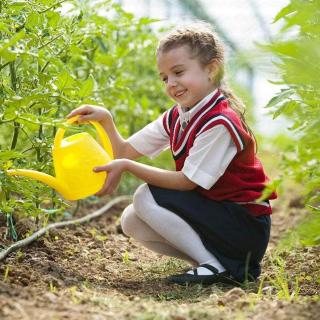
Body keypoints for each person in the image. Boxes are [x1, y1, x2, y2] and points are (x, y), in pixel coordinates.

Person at [67, 22, 277, 285]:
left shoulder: (220, 122)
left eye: (178, 72)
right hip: (220, 218)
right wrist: (106, 120)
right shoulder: (178, 116)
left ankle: (214, 267)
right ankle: (213, 263)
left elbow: (187, 181)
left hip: (245, 226)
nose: (171, 84)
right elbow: (123, 151)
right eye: (165, 77)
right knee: (131, 220)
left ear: (211, 69)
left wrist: (127, 167)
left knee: (145, 195)